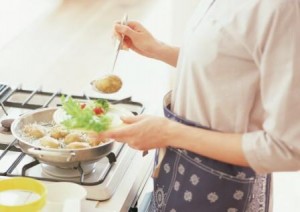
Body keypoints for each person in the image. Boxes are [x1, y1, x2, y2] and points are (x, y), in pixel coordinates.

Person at [97, 0, 300, 211]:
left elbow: (287, 148)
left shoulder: (280, 8)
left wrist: (169, 133)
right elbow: (230, 65)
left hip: (223, 189)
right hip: (183, 175)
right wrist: (158, 49)